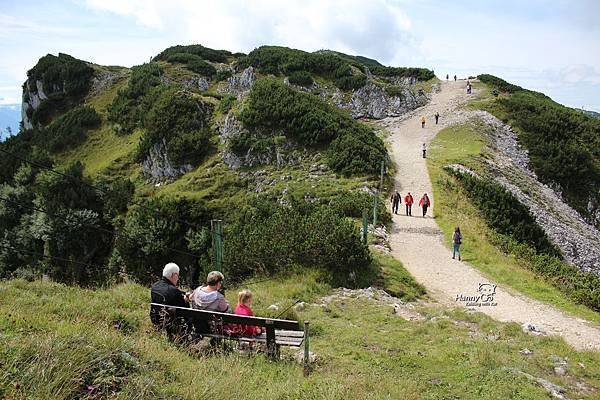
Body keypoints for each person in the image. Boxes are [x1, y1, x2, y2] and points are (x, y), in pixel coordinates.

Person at [150, 262, 190, 335]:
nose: (178, 279)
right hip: (170, 324)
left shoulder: (155, 286)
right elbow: (185, 311)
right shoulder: (174, 291)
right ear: (174, 275)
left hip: (155, 319)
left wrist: (183, 294)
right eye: (178, 275)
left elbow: (170, 291)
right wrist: (186, 300)